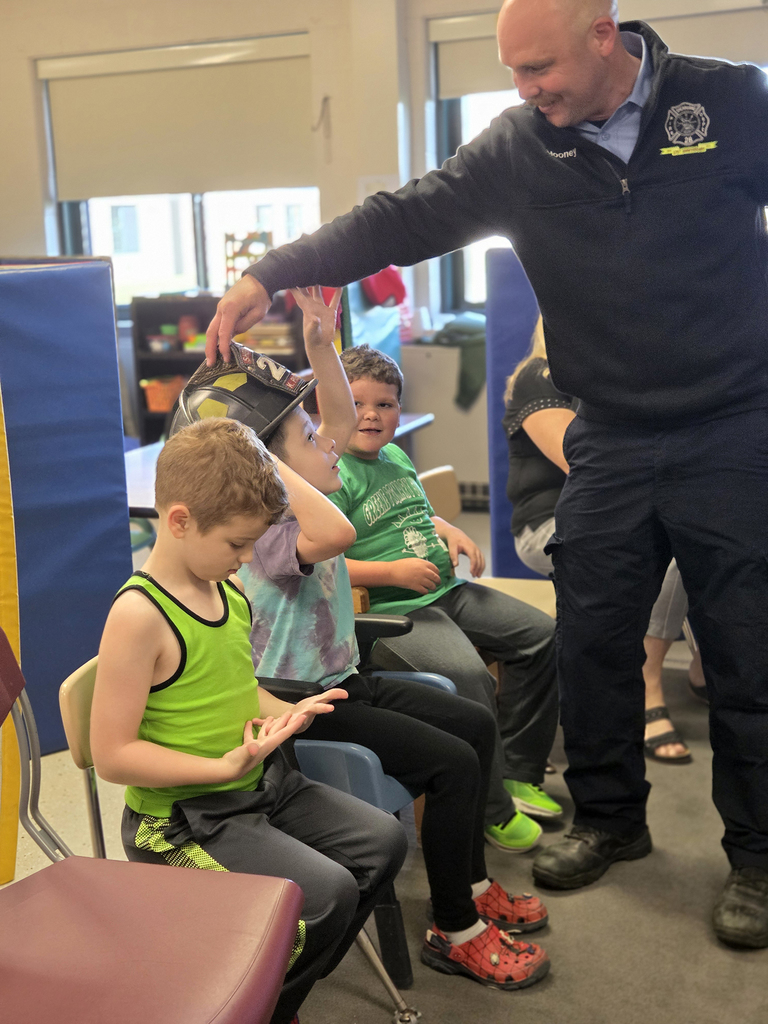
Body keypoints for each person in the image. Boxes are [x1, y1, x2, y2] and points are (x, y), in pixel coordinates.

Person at [205, 0, 768, 949]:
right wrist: (275, 269)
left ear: (605, 36)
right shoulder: (518, 148)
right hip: (612, 433)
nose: (527, 89)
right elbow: (402, 216)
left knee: (748, 646)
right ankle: (608, 820)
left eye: (539, 68)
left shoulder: (728, 101)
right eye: (513, 72)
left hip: (731, 426)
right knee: (589, 636)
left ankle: (756, 855)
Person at [235, 285, 551, 990]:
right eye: (313, 440)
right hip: (298, 701)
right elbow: (341, 533)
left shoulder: (311, 476)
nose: (333, 441)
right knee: (453, 764)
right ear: (278, 467)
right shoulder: (274, 529)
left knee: (472, 723)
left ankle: (469, 889)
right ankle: (455, 926)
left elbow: (338, 417)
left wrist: (320, 340)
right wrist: (260, 443)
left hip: (343, 677)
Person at [90, 416, 409, 1024]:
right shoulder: (138, 615)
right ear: (180, 521)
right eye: (237, 545)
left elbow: (237, 688)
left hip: (256, 786)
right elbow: (111, 754)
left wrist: (285, 712)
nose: (245, 560)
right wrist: (219, 764)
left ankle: (265, 999)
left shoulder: (225, 588)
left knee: (381, 844)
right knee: (326, 897)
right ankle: (240, 1004)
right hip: (183, 821)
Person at [330, 342, 561, 848]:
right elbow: (319, 565)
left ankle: (518, 773)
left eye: (385, 404)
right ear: (331, 406)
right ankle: (492, 808)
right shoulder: (329, 475)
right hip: (397, 613)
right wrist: (391, 571)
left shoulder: (393, 455)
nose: (371, 415)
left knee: (542, 637)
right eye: (356, 404)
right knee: (468, 679)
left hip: (447, 592)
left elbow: (410, 513)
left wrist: (447, 527)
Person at [504, 317, 705, 764]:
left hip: (617, 513)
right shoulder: (539, 376)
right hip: (549, 525)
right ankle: (649, 680)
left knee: (704, 539)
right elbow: (585, 468)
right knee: (671, 555)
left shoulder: (617, 383)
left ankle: (701, 667)